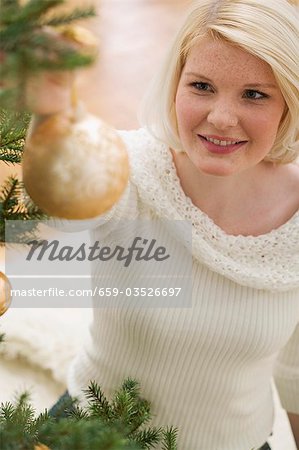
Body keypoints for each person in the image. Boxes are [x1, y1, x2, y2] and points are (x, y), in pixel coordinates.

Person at [26, 0, 299, 449]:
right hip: (91, 436)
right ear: (175, 85)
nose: (221, 118)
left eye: (254, 94)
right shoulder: (128, 167)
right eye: (202, 86)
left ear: (288, 102)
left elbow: (296, 370)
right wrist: (52, 108)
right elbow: (63, 201)